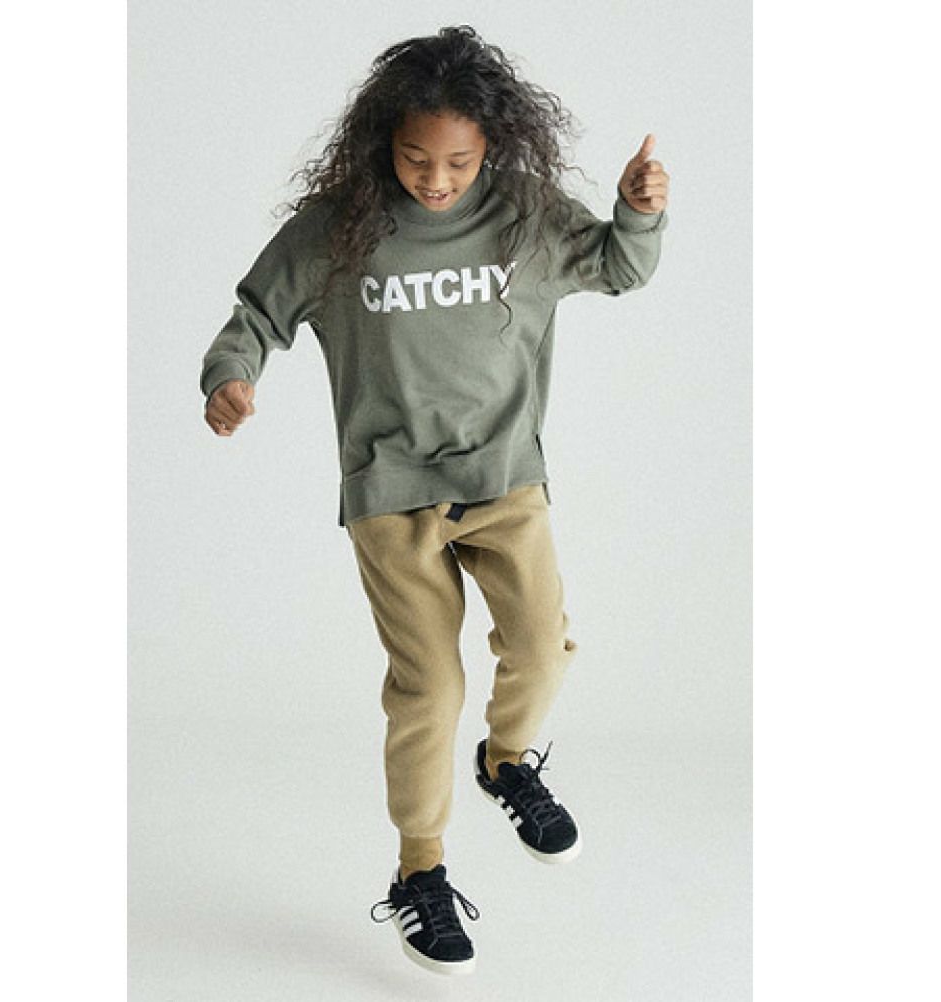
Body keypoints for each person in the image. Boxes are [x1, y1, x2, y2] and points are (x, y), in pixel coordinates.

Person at [199, 24, 670, 976]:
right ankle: (421, 870)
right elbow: (256, 314)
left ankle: (506, 761)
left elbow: (621, 267)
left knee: (540, 646)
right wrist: (230, 376)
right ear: (385, 141)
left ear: (494, 144)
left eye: (459, 160)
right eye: (417, 157)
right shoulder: (341, 227)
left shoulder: (525, 216)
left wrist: (636, 212)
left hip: (505, 480)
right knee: (430, 687)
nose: (437, 178)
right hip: (391, 491)